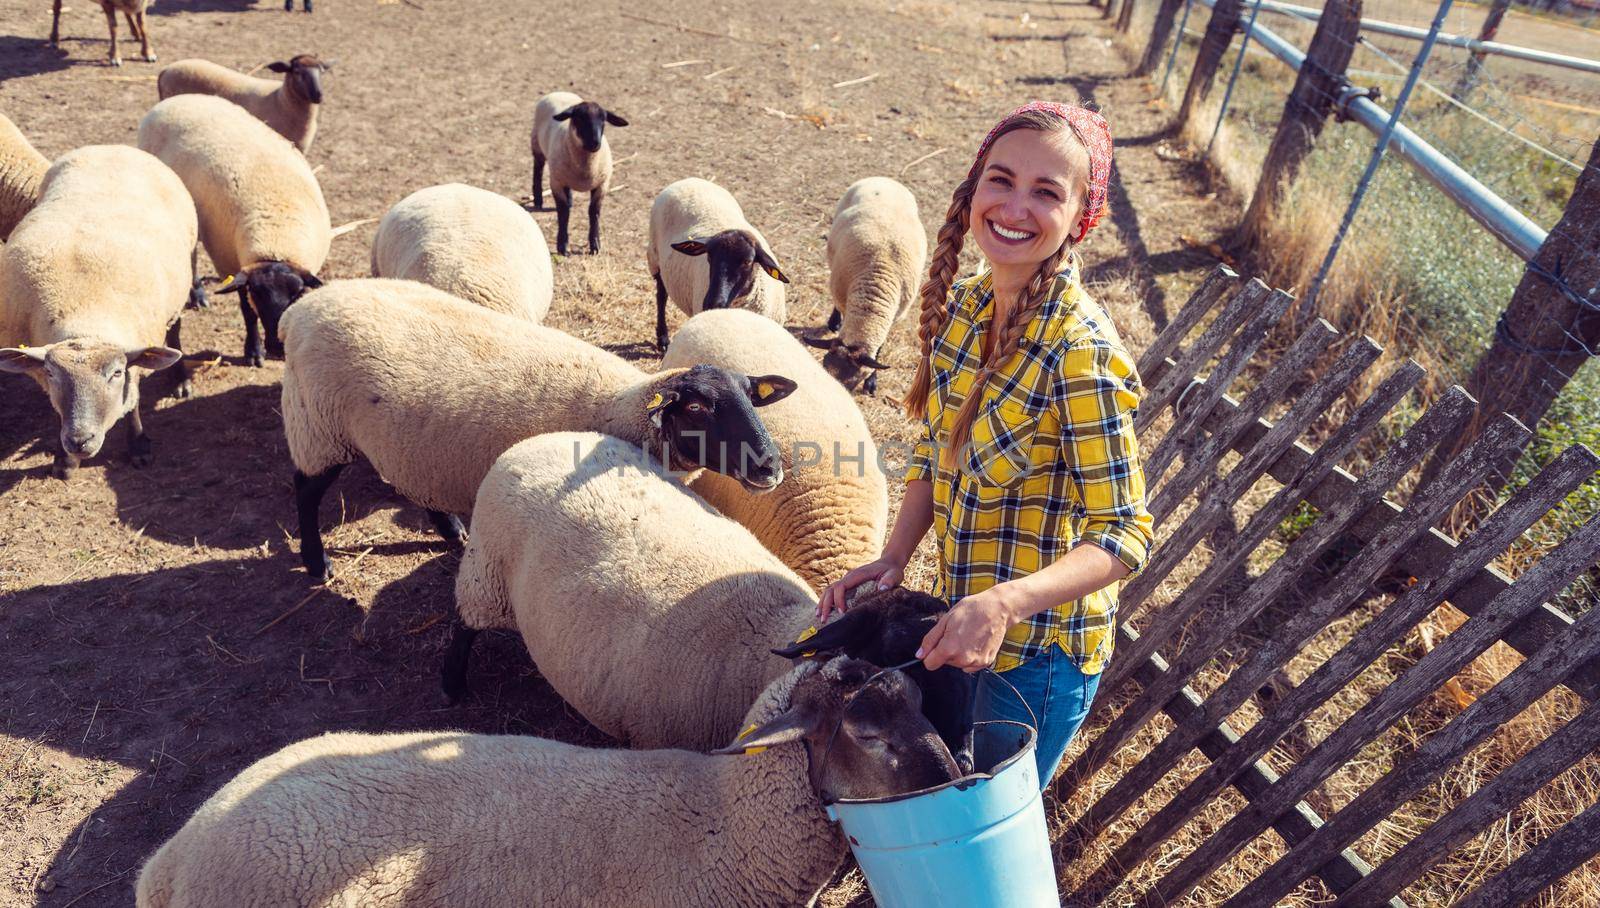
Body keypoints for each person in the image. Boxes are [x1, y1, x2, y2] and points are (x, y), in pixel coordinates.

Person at [818, 101, 1154, 786]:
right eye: (1001, 180)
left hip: (1036, 654)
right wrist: (894, 555)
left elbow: (1124, 534)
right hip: (964, 626)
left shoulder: (1080, 354)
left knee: (985, 827)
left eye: (1047, 192)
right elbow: (935, 451)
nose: (1015, 207)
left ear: (1079, 218)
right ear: (973, 190)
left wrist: (1004, 604)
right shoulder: (967, 307)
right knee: (945, 789)